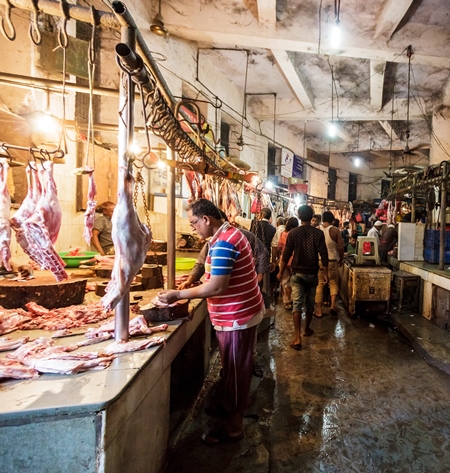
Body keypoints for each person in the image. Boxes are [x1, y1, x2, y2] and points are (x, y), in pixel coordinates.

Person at [158, 199, 264, 445]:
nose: (193, 228)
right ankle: (228, 405)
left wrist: (178, 295)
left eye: (194, 222)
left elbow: (217, 286)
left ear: (207, 219)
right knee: (233, 368)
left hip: (237, 317)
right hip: (239, 313)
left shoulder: (225, 242)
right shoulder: (228, 233)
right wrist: (200, 279)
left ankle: (233, 427)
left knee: (237, 372)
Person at [277, 205, 328, 350]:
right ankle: (306, 329)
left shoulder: (293, 233)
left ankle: (297, 337)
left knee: (297, 304)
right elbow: (324, 254)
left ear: (299, 216)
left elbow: (286, 255)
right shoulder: (318, 234)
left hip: (297, 273)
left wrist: (280, 272)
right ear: (312, 216)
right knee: (309, 304)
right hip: (312, 273)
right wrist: (325, 273)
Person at [314, 211, 344, 318]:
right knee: (333, 283)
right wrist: (341, 258)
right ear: (332, 220)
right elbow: (340, 247)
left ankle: (319, 311)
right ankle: (332, 306)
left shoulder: (317, 229)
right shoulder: (335, 231)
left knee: (320, 284)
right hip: (332, 261)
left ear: (322, 219)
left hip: (320, 261)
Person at [277, 217, 299, 310]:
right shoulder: (297, 234)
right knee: (295, 282)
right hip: (296, 261)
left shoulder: (283, 234)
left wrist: (279, 257)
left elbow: (279, 248)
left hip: (284, 261)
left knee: (285, 281)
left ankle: (287, 302)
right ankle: (295, 300)